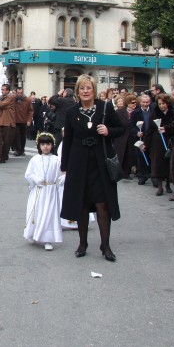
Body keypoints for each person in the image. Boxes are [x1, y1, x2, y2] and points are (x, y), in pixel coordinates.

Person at [60, 75, 124, 262]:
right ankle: (83, 243)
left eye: (89, 88)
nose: (85, 91)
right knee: (82, 204)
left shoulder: (105, 107)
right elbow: (68, 140)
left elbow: (121, 128)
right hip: (79, 162)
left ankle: (105, 245)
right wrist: (65, 166)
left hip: (100, 162)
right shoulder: (72, 112)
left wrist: (108, 131)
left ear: (94, 90)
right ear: (78, 91)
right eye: (82, 88)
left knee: (102, 204)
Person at [24, 133, 65, 251]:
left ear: (52, 145)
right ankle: (31, 233)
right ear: (39, 146)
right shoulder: (35, 159)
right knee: (36, 213)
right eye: (43, 144)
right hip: (39, 190)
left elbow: (62, 173)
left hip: (51, 191)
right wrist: (36, 179)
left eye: (48, 144)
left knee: (49, 214)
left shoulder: (56, 160)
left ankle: (48, 239)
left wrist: (61, 179)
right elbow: (28, 174)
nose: (45, 147)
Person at [143, 93, 174, 196]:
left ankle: (168, 185)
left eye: (164, 103)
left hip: (169, 140)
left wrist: (166, 128)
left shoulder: (173, 113)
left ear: (168, 103)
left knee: (168, 163)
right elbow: (150, 129)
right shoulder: (155, 113)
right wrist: (145, 143)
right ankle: (160, 186)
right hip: (157, 141)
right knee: (158, 163)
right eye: (160, 103)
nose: (162, 106)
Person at [129, 94, 154, 185]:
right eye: (143, 102)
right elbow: (131, 126)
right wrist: (136, 132)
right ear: (140, 102)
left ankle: (153, 176)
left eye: (147, 102)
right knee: (141, 157)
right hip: (140, 137)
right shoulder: (135, 112)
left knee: (152, 156)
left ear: (150, 102)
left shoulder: (153, 111)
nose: (145, 104)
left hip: (151, 137)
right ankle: (142, 176)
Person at [13, 88, 34, 157]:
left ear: (23, 93)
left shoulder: (27, 100)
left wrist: (29, 120)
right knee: (17, 136)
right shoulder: (14, 99)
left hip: (24, 121)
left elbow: (31, 111)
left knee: (23, 136)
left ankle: (22, 150)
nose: (19, 94)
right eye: (18, 93)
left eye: (20, 93)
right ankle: (18, 150)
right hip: (15, 120)